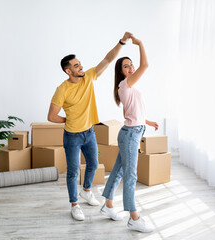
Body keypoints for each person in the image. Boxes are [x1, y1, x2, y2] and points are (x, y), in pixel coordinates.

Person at [47, 32, 132, 221]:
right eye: (76, 65)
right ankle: (74, 205)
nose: (81, 66)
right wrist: (69, 120)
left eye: (80, 63)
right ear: (68, 71)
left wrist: (122, 42)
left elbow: (108, 59)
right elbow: (51, 116)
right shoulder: (62, 90)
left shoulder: (88, 77)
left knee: (93, 164)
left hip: (89, 133)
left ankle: (86, 190)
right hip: (72, 137)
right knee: (72, 172)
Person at [100, 35, 158, 233]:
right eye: (126, 66)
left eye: (131, 65)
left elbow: (129, 113)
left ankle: (108, 205)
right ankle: (134, 218)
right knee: (130, 176)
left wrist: (147, 121)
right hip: (131, 134)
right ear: (121, 71)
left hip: (131, 131)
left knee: (119, 171)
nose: (131, 67)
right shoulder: (125, 84)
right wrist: (140, 43)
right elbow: (146, 65)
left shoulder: (127, 87)